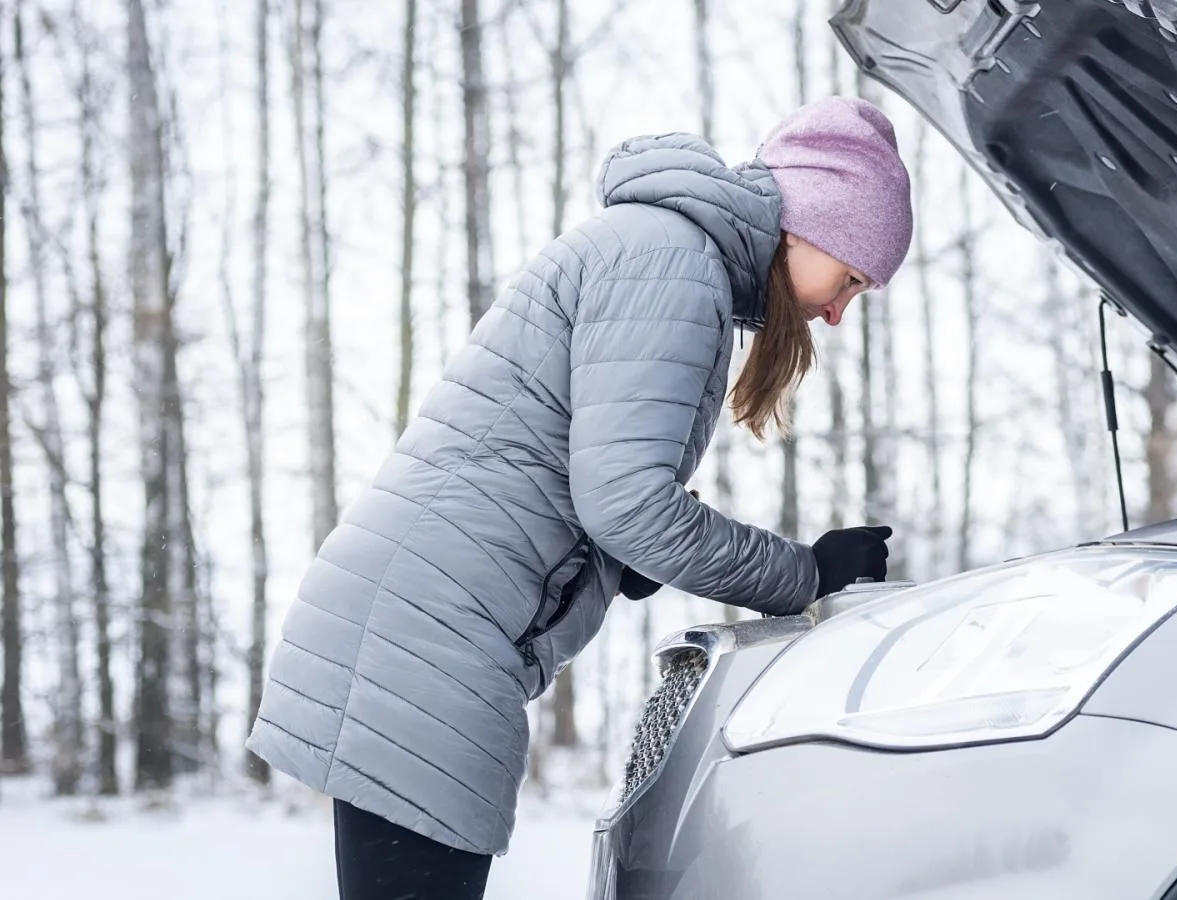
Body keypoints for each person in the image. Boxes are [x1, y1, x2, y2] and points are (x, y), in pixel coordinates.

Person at [244, 94, 915, 900]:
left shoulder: (663, 254)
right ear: (813, 226)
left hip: (417, 628)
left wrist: (610, 558)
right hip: (428, 639)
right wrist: (804, 573)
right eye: (850, 279)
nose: (839, 313)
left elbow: (577, 476)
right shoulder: (673, 264)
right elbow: (626, 505)